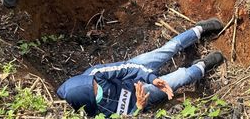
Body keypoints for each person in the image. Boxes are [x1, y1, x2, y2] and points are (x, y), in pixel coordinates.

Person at [57, 18, 224, 117]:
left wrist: (152, 78)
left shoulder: (95, 74)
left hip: (133, 72)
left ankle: (199, 29)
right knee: (183, 77)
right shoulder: (99, 114)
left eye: (93, 83)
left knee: (166, 50)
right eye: (93, 90)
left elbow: (127, 67)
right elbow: (127, 116)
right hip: (141, 96)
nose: (96, 85)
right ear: (88, 103)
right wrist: (138, 106)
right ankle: (202, 65)